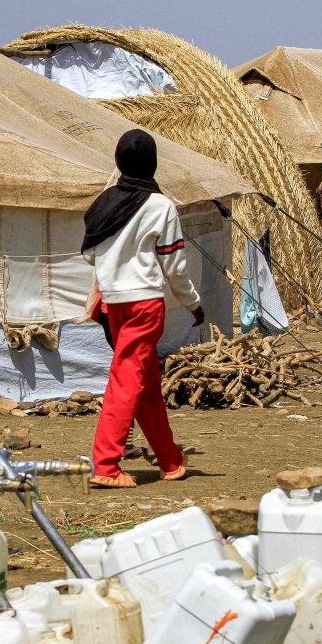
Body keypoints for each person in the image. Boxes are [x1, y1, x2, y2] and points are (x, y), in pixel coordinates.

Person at [82, 129, 204, 488]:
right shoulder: (160, 206)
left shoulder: (104, 204)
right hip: (145, 305)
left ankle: (170, 460)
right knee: (126, 379)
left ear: (119, 162)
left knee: (145, 381)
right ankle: (105, 465)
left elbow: (90, 254)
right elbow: (175, 268)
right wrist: (194, 305)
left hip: (113, 304)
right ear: (152, 163)